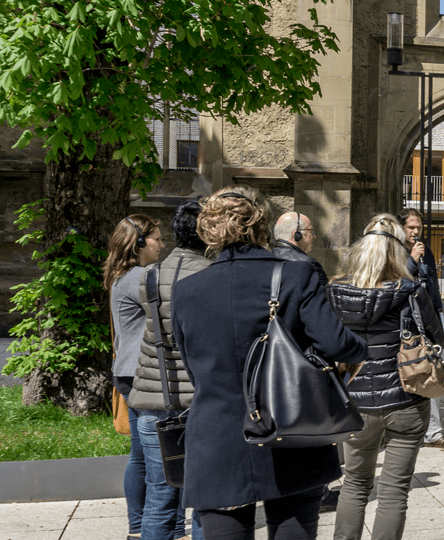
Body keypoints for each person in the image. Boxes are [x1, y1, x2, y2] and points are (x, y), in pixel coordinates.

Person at [172, 186, 366, 540]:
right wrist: (360, 350)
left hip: (218, 436)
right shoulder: (296, 276)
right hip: (291, 429)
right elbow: (338, 343)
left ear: (210, 231)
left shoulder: (186, 291)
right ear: (262, 226)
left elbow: (192, 365)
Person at [328, 213, 443, 540]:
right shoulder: (410, 290)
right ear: (397, 250)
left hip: (356, 404)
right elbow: (435, 336)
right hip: (405, 399)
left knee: (354, 483)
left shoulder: (336, 291)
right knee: (394, 491)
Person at [129, 202, 207, 540]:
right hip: (201, 401)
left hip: (155, 395)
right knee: (207, 498)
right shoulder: (211, 275)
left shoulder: (151, 275)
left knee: (159, 497)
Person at [106, 213, 163, 540]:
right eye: (156, 237)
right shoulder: (142, 277)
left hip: (126, 372)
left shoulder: (120, 276)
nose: (161, 243)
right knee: (154, 458)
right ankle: (152, 527)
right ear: (139, 241)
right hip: (143, 372)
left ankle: (137, 529)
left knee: (139, 454)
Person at [401, 209, 444, 450]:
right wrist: (411, 259)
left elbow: (432, 287)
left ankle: (433, 433)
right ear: (401, 228)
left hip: (426, 323)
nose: (415, 231)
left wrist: (438, 317)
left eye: (418, 227)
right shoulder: (395, 252)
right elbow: (397, 283)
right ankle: (400, 431)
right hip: (404, 325)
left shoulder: (427, 252)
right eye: (411, 227)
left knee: (431, 373)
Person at [272, 212, 326, 283]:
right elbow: (322, 292)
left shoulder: (264, 258)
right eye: (311, 231)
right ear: (297, 235)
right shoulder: (308, 264)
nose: (314, 236)